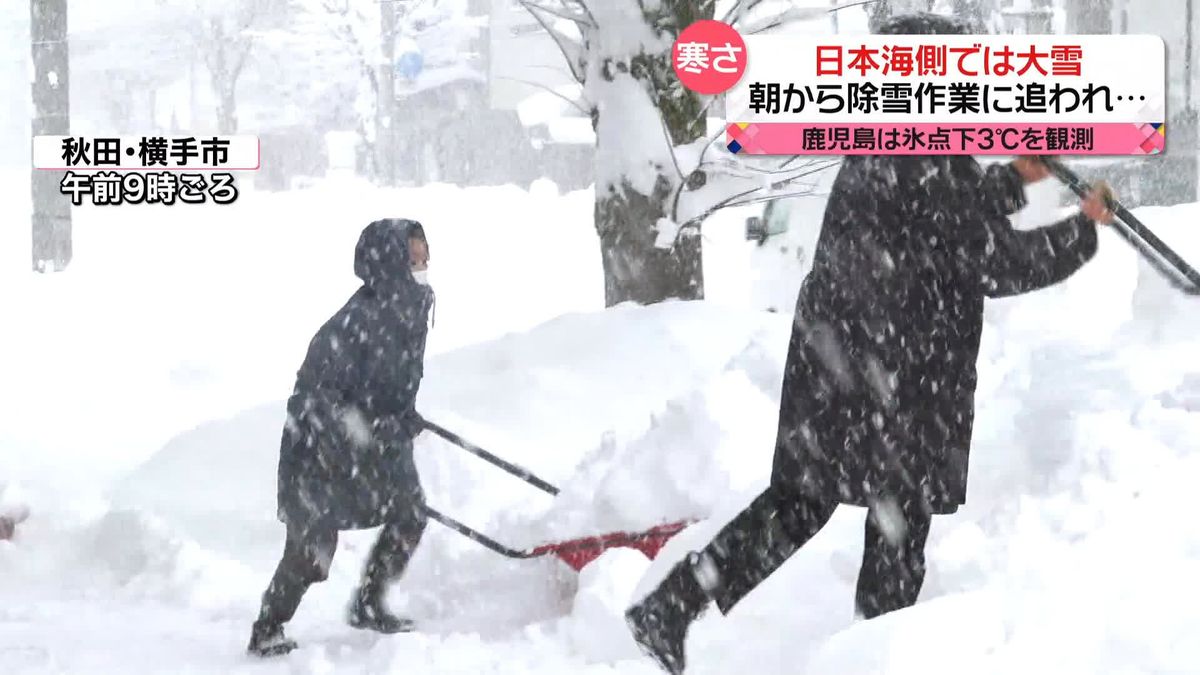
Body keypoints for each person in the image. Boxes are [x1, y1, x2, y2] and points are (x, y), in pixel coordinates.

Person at [624, 13, 1118, 674]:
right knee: (896, 516)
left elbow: (945, 216)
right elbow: (989, 258)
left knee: (810, 504)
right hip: (888, 367)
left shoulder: (894, 142)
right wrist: (1081, 232)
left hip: (849, 357)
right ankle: (872, 656)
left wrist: (1015, 178)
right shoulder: (921, 152)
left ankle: (674, 605)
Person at [248, 218, 435, 657]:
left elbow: (390, 382)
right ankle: (267, 627)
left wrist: (400, 419)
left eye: (425, 256)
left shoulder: (410, 309)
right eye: (413, 258)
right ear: (390, 264)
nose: (423, 266)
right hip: (320, 452)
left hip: (378, 443)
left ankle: (370, 603)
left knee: (409, 514)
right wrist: (376, 427)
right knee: (312, 552)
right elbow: (317, 405)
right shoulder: (351, 326)